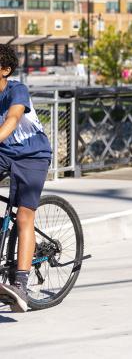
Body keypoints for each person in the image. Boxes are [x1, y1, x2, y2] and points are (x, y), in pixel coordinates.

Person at [0, 44, 53, 313]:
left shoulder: (15, 90)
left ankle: (20, 285)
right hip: (4, 153)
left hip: (32, 155)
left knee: (23, 215)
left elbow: (12, 118)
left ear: (5, 70)